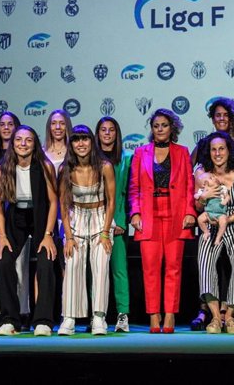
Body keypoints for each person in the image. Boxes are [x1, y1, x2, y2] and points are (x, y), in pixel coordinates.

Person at [129, 109, 196, 333]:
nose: (160, 129)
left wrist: (189, 212)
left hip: (176, 216)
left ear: (172, 128)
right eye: (156, 125)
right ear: (151, 129)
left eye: (164, 125)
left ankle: (169, 315)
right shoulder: (140, 153)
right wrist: (135, 213)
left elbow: (189, 186)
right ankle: (154, 315)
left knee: (174, 268)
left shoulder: (183, 152)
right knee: (150, 269)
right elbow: (134, 187)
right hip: (148, 216)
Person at [190, 97, 234, 330]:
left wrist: (229, 219)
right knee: (206, 265)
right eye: (214, 150)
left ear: (229, 151)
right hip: (210, 225)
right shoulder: (202, 175)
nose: (217, 153)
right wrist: (204, 200)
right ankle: (216, 317)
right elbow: (197, 207)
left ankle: (231, 317)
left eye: (222, 149)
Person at [0, 126, 58, 336]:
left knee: (45, 261)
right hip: (16, 218)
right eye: (19, 140)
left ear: (34, 143)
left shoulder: (45, 166)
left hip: (40, 216)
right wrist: (2, 237)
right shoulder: (4, 167)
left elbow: (53, 202)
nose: (23, 144)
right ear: (12, 144)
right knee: (4, 260)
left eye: (28, 140)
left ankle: (43, 321)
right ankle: (10, 319)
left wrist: (48, 235)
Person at [57, 126, 116, 336]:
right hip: (76, 220)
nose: (81, 144)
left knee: (101, 266)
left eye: (85, 139)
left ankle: (99, 317)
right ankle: (69, 318)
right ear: (71, 144)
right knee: (72, 266)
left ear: (92, 142)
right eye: (76, 140)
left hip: (101, 219)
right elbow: (63, 204)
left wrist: (106, 233)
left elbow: (111, 202)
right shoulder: (66, 169)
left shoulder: (105, 166)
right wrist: (69, 237)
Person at [0, 112, 30, 322]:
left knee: (21, 263)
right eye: (2, 124)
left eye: (11, 124)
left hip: (19, 209)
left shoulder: (25, 153)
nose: (6, 128)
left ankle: (21, 310)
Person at [95, 117, 133, 332]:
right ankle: (97, 314)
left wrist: (120, 220)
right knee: (97, 270)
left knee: (119, 269)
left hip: (117, 223)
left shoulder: (126, 159)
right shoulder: (90, 158)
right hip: (94, 222)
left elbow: (127, 193)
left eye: (111, 130)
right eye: (103, 130)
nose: (107, 133)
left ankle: (122, 315)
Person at [194, 173, 229, 246]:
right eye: (210, 178)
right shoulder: (204, 190)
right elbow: (197, 196)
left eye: (212, 177)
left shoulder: (222, 188)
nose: (213, 177)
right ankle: (206, 231)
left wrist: (225, 201)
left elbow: (228, 197)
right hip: (208, 213)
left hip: (220, 213)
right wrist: (201, 196)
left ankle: (218, 238)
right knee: (200, 219)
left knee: (223, 221)